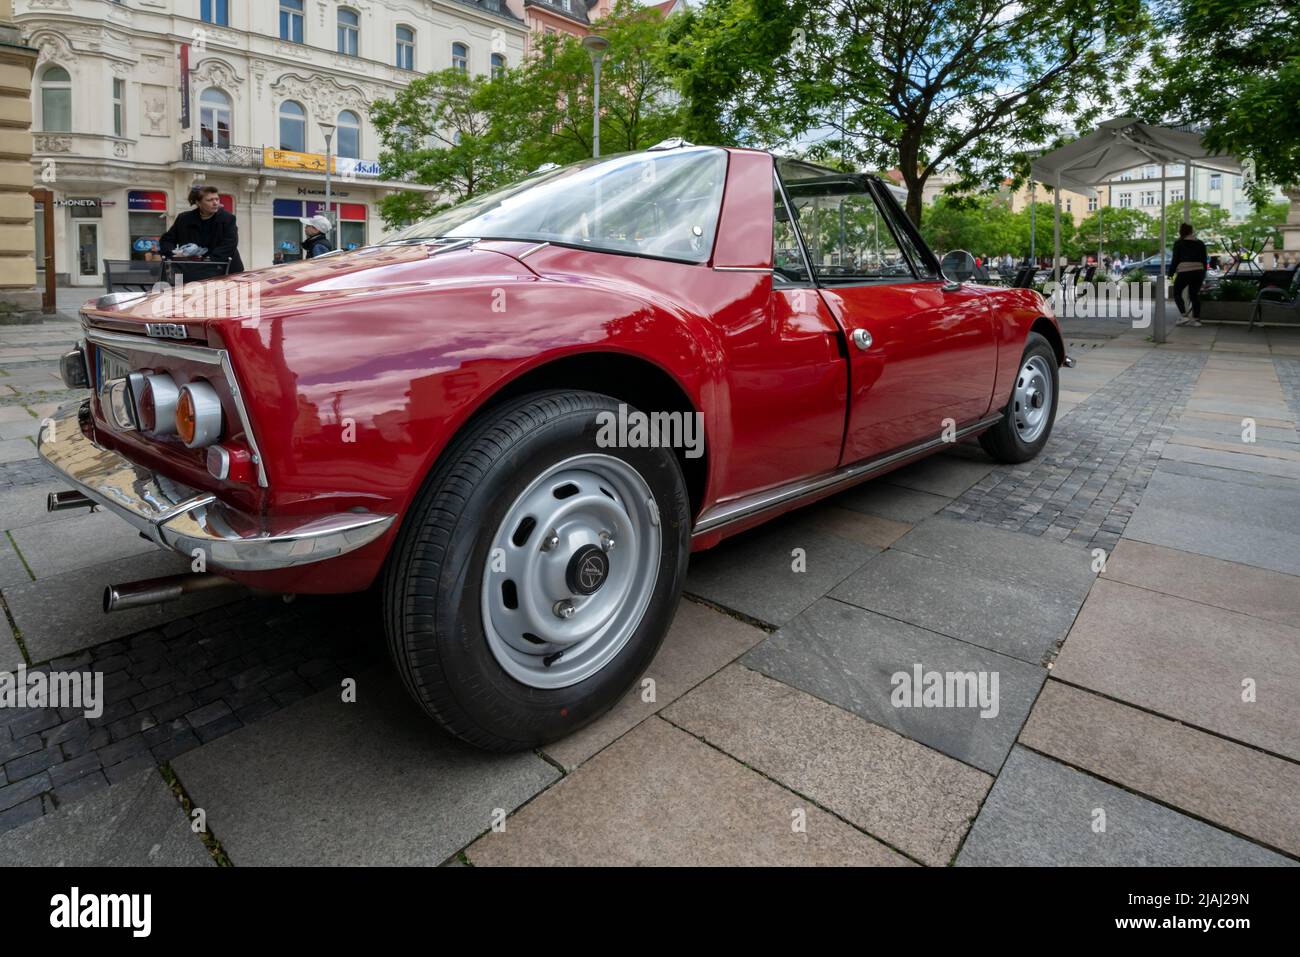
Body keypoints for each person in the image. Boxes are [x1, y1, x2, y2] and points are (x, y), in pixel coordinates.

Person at [158, 185, 244, 273]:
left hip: (223, 269)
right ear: (198, 203)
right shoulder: (184, 218)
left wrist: (209, 260)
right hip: (191, 269)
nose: (215, 203)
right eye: (210, 200)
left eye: (217, 199)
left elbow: (230, 243)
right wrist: (173, 254)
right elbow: (167, 240)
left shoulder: (228, 218)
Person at [1171, 222, 1208, 327]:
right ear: (1191, 231)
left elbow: (1175, 260)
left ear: (1181, 231)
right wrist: (1203, 272)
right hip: (1198, 271)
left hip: (1184, 271)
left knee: (1177, 292)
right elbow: (1204, 259)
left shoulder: (1179, 243)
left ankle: (1184, 316)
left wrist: (1170, 273)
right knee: (1194, 295)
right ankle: (1196, 320)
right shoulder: (1200, 243)